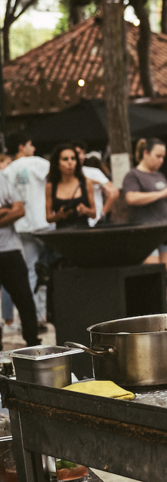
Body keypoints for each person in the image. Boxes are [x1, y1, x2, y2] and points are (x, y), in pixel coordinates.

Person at [4, 133, 54, 327]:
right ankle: (46, 313)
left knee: (30, 271)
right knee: (49, 270)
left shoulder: (8, 170)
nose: (33, 149)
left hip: (21, 225)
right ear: (21, 146)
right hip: (42, 222)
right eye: (30, 145)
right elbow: (55, 177)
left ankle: (34, 317)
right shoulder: (36, 162)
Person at [122, 138, 167, 267]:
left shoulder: (160, 175)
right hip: (145, 231)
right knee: (151, 270)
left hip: (164, 228)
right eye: (157, 156)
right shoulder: (133, 175)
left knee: (165, 271)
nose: (161, 160)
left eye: (163, 157)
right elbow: (131, 198)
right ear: (145, 153)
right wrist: (163, 193)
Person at [0, 170, 40, 348]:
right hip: (9, 248)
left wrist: (8, 211)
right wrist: (5, 211)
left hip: (10, 250)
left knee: (25, 300)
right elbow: (13, 210)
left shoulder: (1, 177)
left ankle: (33, 344)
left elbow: (19, 210)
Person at [45, 144, 96, 229]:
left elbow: (94, 213)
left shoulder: (86, 182)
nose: (70, 162)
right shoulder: (51, 186)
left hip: (83, 233)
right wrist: (59, 215)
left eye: (73, 158)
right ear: (57, 163)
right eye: (65, 159)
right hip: (62, 234)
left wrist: (85, 210)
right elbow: (49, 218)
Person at [71, 139, 119, 226]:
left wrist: (101, 215)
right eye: (78, 153)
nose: (82, 157)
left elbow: (114, 192)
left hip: (93, 223)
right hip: (69, 223)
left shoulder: (93, 172)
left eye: (83, 153)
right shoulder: (62, 175)